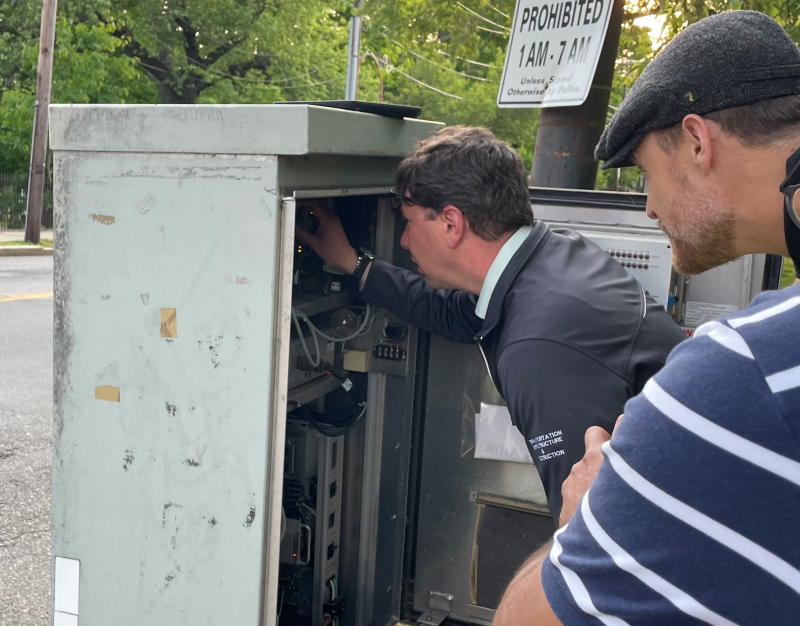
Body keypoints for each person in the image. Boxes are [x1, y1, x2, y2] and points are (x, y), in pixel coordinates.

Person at [493, 10, 800, 625]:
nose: (648, 206)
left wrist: (596, 512)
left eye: (643, 172)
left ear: (695, 141)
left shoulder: (742, 371)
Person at [297, 125, 685, 518]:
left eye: (410, 222)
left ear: (451, 224)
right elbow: (452, 310)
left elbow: (589, 523)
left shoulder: (538, 348)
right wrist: (352, 262)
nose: (403, 241)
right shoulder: (550, 256)